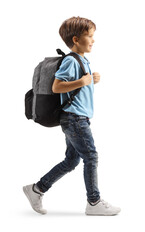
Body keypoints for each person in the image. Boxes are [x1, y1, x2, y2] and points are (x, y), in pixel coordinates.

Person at [23, 16, 121, 216]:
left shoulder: (82, 60)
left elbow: (78, 84)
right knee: (91, 156)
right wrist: (83, 82)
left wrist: (91, 80)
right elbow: (57, 86)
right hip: (74, 118)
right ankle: (94, 202)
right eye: (89, 36)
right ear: (76, 39)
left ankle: (37, 189)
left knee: (71, 161)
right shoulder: (70, 60)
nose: (93, 40)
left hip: (77, 118)